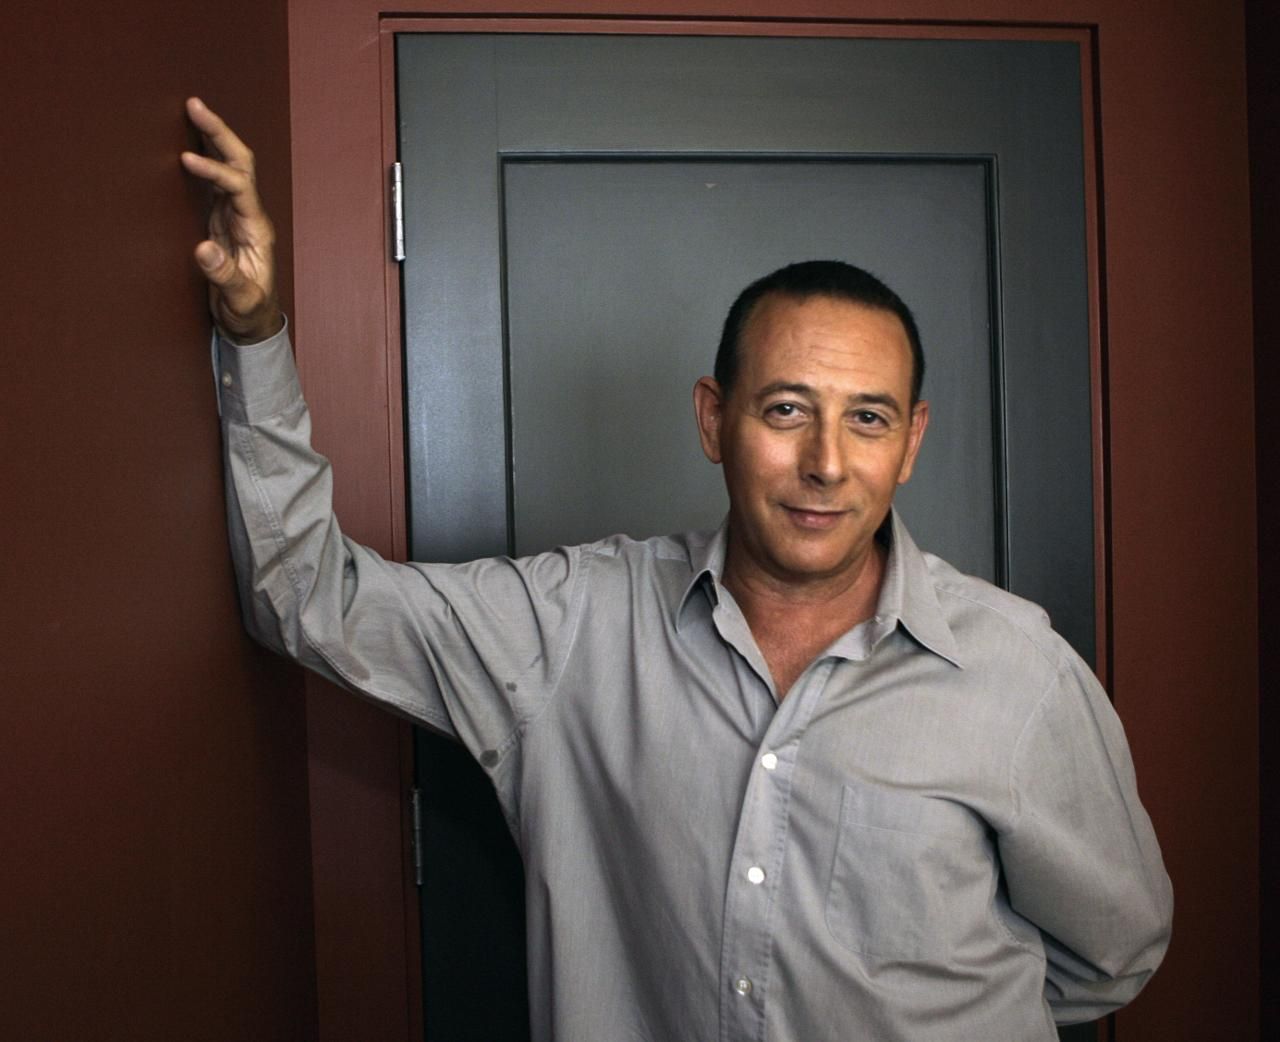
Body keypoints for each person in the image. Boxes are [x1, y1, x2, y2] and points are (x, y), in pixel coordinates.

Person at [183, 96, 1172, 1041]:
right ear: (713, 419)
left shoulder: (1018, 672)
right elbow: (306, 597)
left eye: (867, 418)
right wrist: (252, 331)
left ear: (908, 442)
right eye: (786, 410)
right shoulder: (570, 627)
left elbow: (1110, 954)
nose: (827, 462)